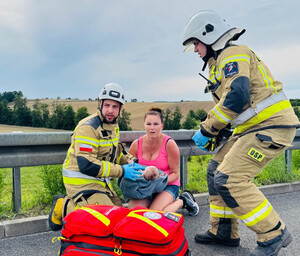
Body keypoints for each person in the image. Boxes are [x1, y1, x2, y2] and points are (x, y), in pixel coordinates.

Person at [182, 10, 299, 256]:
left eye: (196, 43)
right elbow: (231, 104)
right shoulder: (220, 63)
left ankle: (273, 233)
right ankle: (223, 230)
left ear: (209, 35)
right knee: (215, 170)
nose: (195, 50)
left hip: (270, 126)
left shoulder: (233, 54)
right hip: (252, 128)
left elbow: (237, 96)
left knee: (229, 178)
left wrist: (208, 128)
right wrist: (217, 129)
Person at [48, 83, 143, 231]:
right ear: (100, 103)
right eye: (107, 105)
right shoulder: (88, 128)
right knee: (104, 222)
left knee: (121, 218)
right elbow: (86, 165)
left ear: (120, 109)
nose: (110, 110)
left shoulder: (113, 126)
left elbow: (117, 153)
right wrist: (123, 171)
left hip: (101, 183)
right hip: (81, 182)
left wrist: (132, 162)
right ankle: (64, 205)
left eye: (115, 107)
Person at [127, 108, 199, 216]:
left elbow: (175, 174)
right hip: (146, 187)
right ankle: (153, 201)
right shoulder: (136, 145)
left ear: (162, 126)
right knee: (134, 213)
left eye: (156, 124)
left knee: (155, 215)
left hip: (168, 184)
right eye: (148, 124)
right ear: (144, 125)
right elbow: (130, 168)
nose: (152, 128)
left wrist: (159, 181)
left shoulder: (169, 144)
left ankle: (183, 200)